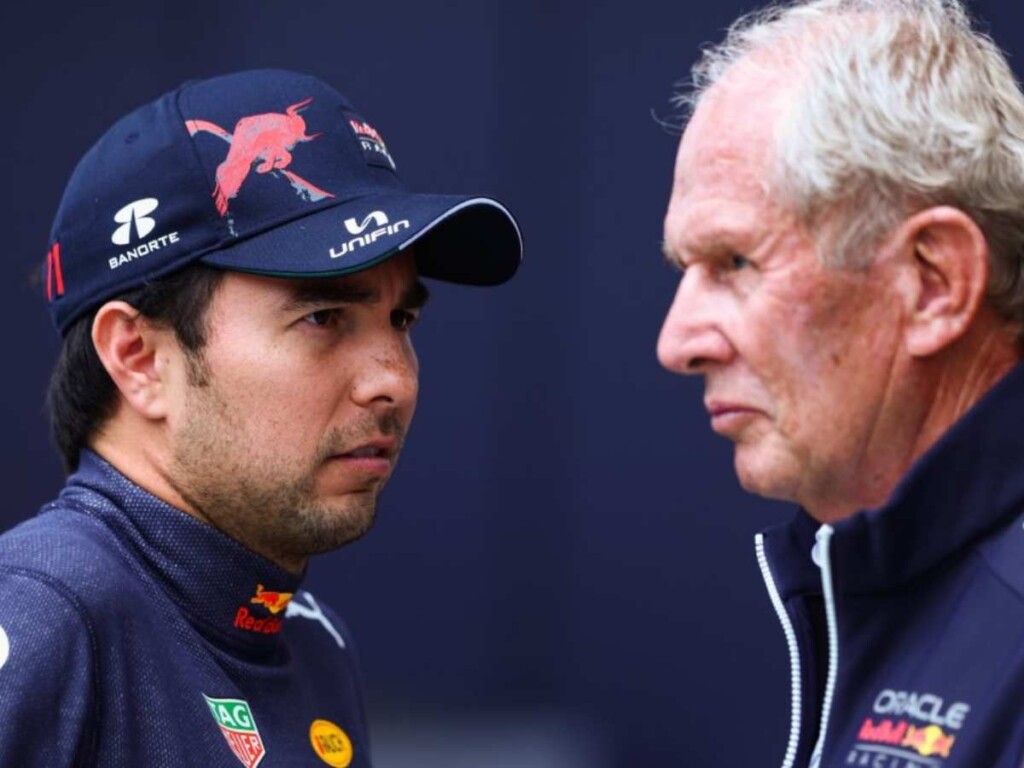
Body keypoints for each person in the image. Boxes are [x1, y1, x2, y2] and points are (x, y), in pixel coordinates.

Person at [0, 68, 521, 767]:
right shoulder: (43, 616)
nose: (394, 380)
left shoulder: (311, 642)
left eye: (401, 319)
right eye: (323, 317)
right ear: (138, 358)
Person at [657, 1, 1024, 766]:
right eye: (683, 270)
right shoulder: (863, 570)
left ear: (934, 282)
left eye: (735, 263)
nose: (676, 343)